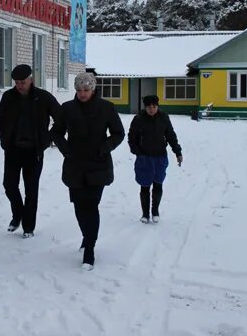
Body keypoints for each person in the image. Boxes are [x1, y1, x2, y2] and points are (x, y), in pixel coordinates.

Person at [50, 72, 125, 270]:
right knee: (79, 206)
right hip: (75, 165)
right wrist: (67, 150)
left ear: (93, 89)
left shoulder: (106, 108)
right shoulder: (67, 108)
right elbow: (56, 132)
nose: (82, 93)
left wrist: (104, 148)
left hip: (98, 164)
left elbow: (118, 133)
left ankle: (89, 248)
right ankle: (87, 235)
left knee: (91, 205)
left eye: (86, 90)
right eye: (79, 90)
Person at [0, 64, 61, 238]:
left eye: (22, 82)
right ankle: (18, 214)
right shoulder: (8, 97)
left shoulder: (43, 97)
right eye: (16, 82)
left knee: (31, 190)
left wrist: (47, 139)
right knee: (9, 185)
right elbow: (0, 117)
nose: (19, 86)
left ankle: (28, 227)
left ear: (31, 80)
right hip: (12, 149)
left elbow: (60, 118)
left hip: (34, 151)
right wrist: (4, 137)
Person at [128, 95, 183, 224]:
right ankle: (145, 214)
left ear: (157, 106)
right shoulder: (138, 119)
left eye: (154, 106)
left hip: (160, 157)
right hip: (144, 158)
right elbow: (131, 137)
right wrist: (137, 151)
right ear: (145, 107)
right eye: (149, 107)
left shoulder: (163, 118)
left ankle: (155, 211)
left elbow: (171, 135)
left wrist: (178, 152)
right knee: (145, 185)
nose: (152, 109)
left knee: (158, 183)